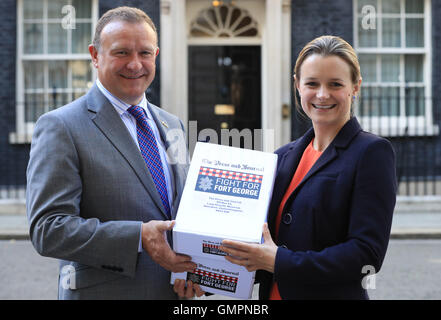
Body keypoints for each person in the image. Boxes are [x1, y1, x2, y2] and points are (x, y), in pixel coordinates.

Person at [26, 6, 203, 300]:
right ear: (95, 55)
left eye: (145, 53)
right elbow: (48, 229)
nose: (135, 64)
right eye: (121, 52)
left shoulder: (172, 124)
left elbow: (179, 212)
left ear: (155, 56)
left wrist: (195, 271)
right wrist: (137, 237)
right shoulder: (61, 126)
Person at [220, 35, 397, 299]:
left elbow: (365, 254)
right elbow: (262, 249)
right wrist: (205, 278)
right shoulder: (281, 157)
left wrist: (278, 261)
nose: (322, 94)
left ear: (355, 87)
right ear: (297, 85)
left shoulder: (371, 153)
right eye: (312, 83)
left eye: (335, 84)